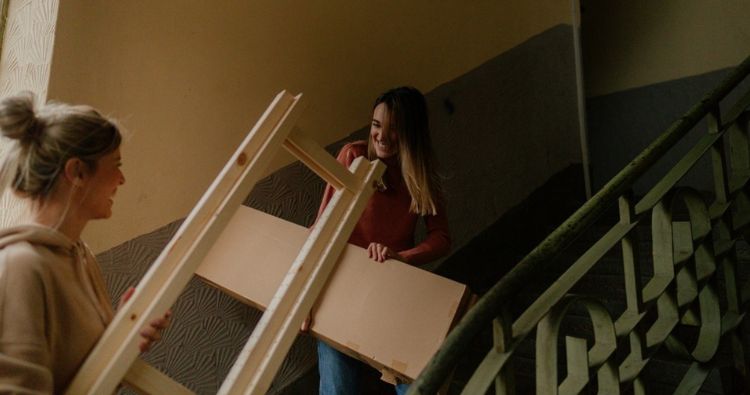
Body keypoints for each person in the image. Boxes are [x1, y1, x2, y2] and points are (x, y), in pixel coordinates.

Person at [0, 92, 169, 394]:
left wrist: (124, 336)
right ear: (77, 172)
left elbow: (84, 377)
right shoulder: (20, 267)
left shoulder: (80, 254)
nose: (122, 179)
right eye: (115, 165)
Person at [310, 86, 451, 395]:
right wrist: (307, 299)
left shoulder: (420, 174)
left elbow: (441, 237)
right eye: (376, 125)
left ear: (411, 132)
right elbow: (320, 228)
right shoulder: (354, 156)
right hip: (342, 287)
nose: (382, 136)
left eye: (394, 129)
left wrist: (403, 257)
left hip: (391, 284)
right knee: (337, 387)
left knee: (415, 383)